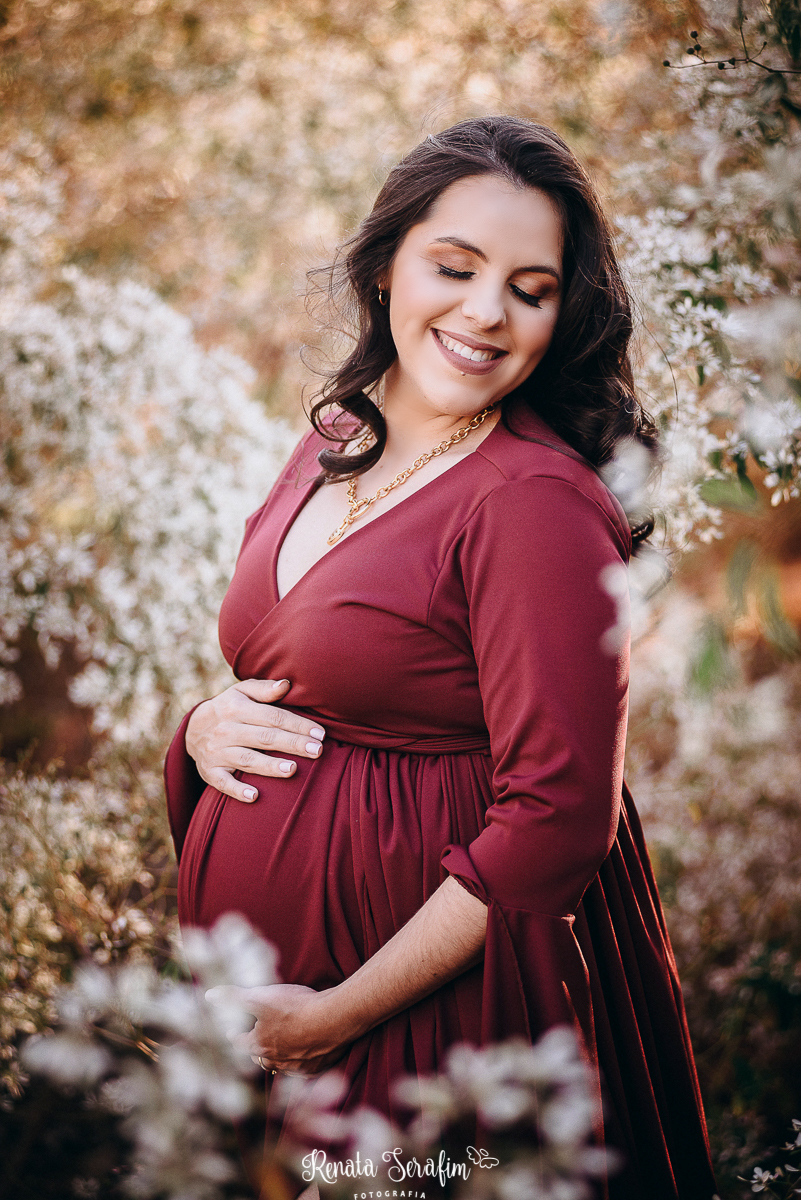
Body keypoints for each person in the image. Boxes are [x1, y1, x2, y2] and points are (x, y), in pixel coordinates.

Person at [164, 116, 718, 1199]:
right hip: (290, 1019)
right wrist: (199, 725)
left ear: (563, 316)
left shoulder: (535, 504)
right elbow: (302, 659)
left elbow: (560, 819)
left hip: (435, 1012)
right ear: (385, 269)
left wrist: (333, 1018)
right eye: (453, 267)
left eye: (529, 287)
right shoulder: (340, 434)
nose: (483, 313)